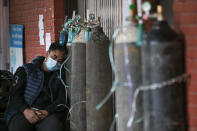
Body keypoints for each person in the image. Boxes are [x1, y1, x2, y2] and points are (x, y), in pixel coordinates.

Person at [4, 42, 69, 131]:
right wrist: (25, 110)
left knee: (54, 126)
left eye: (59, 61)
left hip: (45, 114)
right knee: (18, 127)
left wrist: (47, 111)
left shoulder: (59, 77)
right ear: (47, 53)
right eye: (54, 57)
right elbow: (15, 94)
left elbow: (61, 100)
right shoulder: (26, 70)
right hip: (23, 111)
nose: (55, 62)